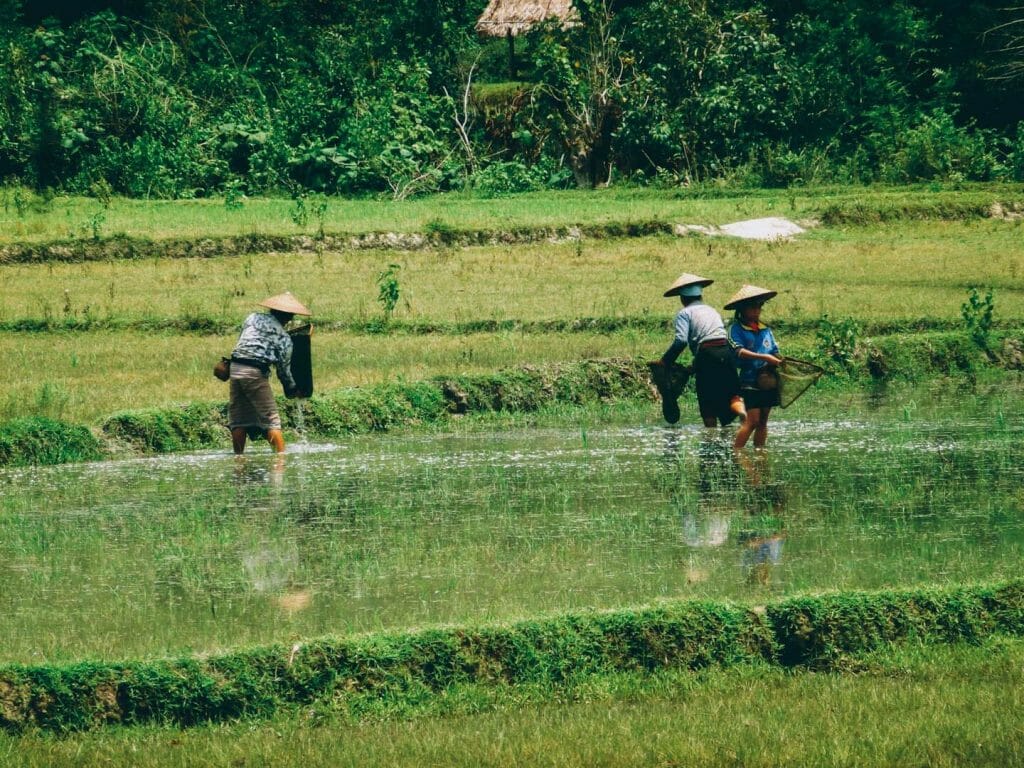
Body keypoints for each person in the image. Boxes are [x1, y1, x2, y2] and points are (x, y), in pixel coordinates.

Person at [653, 273, 747, 427]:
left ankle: (710, 435)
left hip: (707, 354)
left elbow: (681, 341)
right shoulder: (712, 310)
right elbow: (715, 338)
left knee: (707, 400)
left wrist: (665, 361)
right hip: (725, 351)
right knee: (731, 394)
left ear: (682, 299)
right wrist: (695, 365)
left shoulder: (684, 313)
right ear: (700, 296)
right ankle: (740, 411)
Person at [228, 291, 311, 454]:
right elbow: (284, 371)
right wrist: (292, 389)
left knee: (239, 420)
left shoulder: (252, 318)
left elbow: (242, 342)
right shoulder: (284, 339)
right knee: (271, 421)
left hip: (235, 368)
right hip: (255, 373)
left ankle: (238, 459)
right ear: (289, 317)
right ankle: (280, 460)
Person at [725, 285, 784, 450]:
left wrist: (778, 360)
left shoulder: (765, 330)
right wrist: (763, 357)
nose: (757, 310)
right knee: (752, 421)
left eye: (759, 307)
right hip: (749, 380)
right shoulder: (735, 329)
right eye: (752, 307)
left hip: (767, 380)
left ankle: (760, 454)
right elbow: (739, 351)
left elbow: (774, 351)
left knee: (763, 421)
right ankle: (737, 453)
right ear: (742, 310)